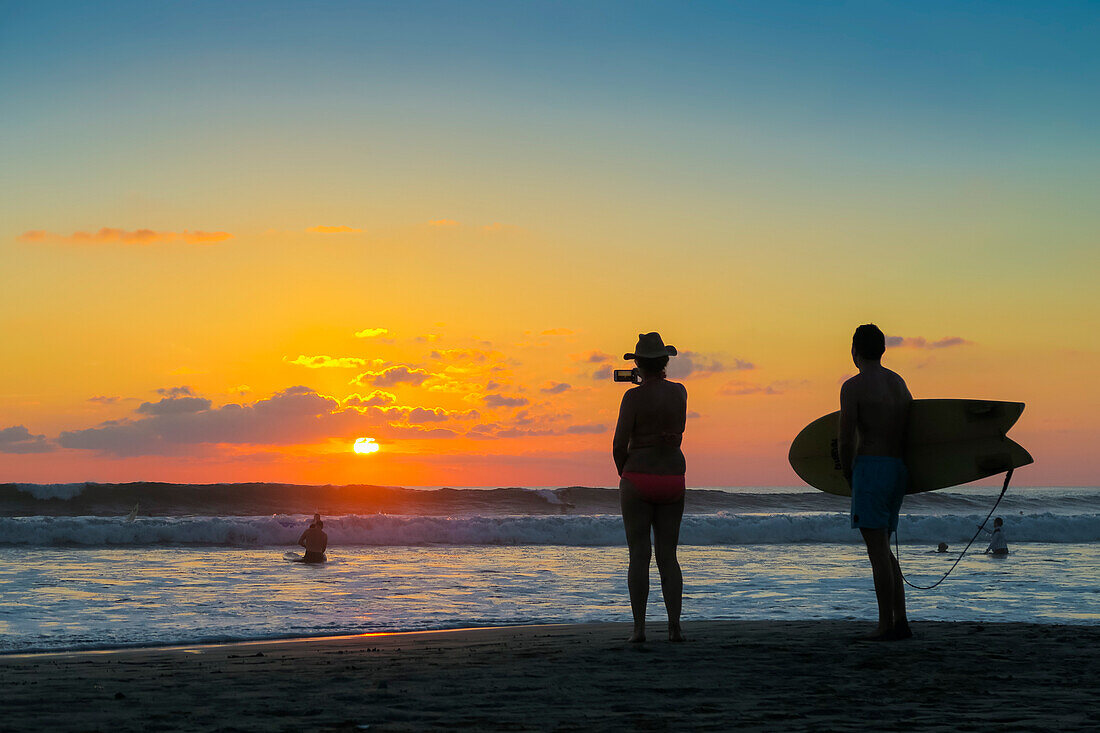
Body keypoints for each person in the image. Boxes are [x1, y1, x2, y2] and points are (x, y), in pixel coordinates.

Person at [839, 324, 913, 641]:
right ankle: (901, 620)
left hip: (870, 467)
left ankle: (885, 625)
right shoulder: (898, 383)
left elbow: (845, 437)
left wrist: (847, 472)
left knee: (878, 552)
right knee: (884, 548)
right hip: (897, 469)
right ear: (882, 350)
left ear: (854, 350)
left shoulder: (853, 387)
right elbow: (914, 426)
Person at [613, 332, 688, 643]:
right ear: (665, 363)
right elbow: (678, 433)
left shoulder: (632, 398)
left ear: (638, 365)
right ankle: (674, 628)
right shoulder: (680, 392)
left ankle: (639, 629)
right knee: (668, 555)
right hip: (673, 476)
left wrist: (625, 473)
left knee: (639, 555)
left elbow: (619, 444)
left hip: (639, 476)